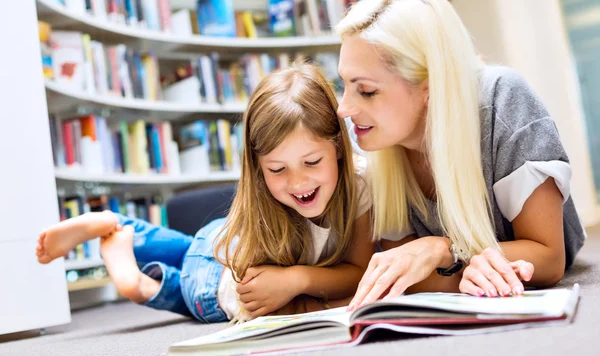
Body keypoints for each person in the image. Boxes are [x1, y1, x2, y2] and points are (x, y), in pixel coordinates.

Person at [35, 62, 375, 322]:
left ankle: (118, 225)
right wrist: (296, 286)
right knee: (193, 287)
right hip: (217, 275)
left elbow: (359, 270)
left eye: (312, 162)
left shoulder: (361, 182)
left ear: (339, 147)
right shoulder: (266, 210)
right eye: (278, 169)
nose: (299, 182)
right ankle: (138, 284)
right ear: (257, 167)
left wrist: (298, 278)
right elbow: (261, 301)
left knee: (187, 249)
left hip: (218, 239)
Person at [334, 0, 587, 311]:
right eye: (345, 85)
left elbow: (548, 257)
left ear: (428, 88)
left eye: (366, 91)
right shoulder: (375, 138)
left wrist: (443, 251)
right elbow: (405, 277)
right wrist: (463, 271)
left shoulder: (503, 101)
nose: (344, 108)